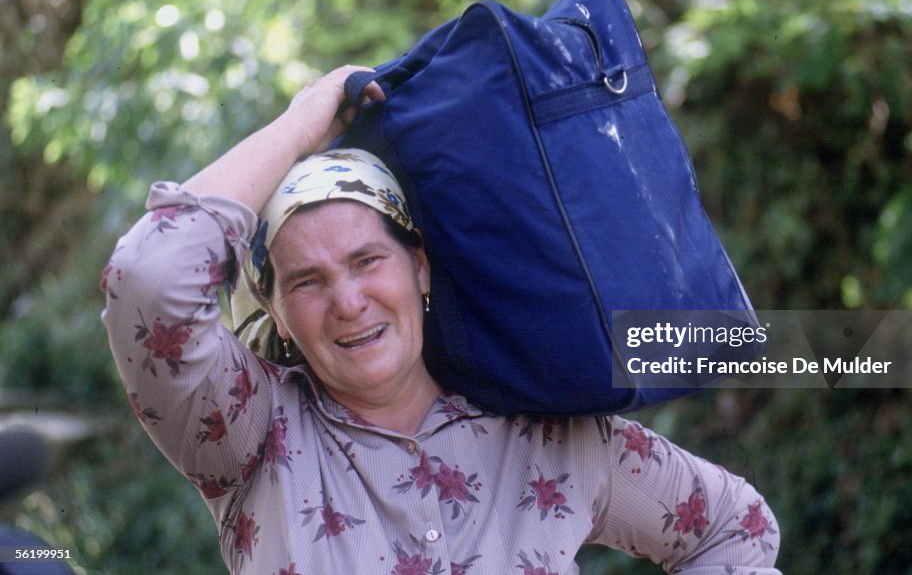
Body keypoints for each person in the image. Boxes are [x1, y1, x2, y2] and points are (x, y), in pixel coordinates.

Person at [102, 65, 781, 574]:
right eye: (307, 280)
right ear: (275, 308)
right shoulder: (252, 436)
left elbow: (736, 526)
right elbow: (149, 281)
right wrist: (303, 122)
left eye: (368, 260)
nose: (347, 300)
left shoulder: (544, 432)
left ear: (419, 267)